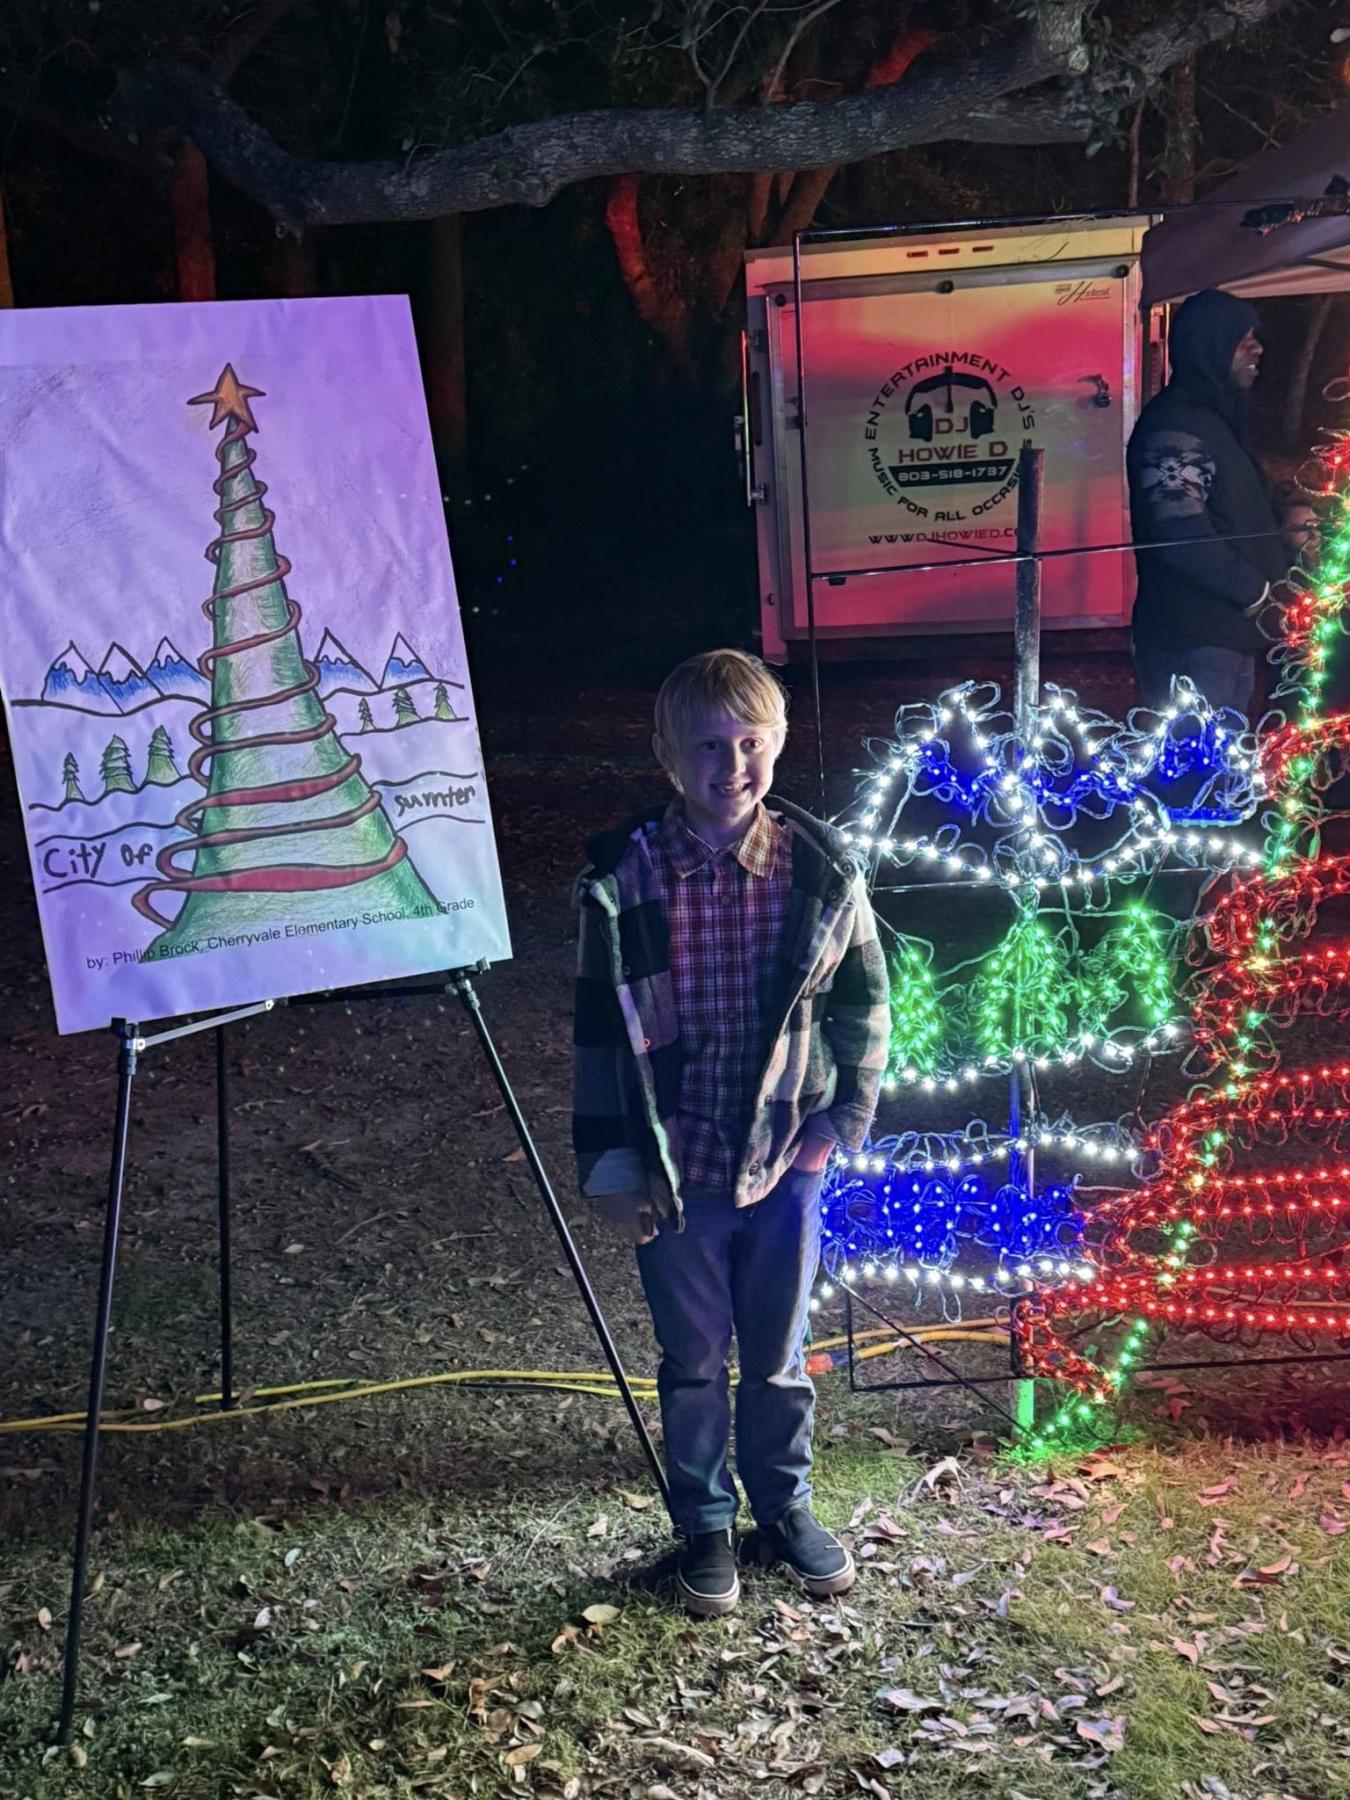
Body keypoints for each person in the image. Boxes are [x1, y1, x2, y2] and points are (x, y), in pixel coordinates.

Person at [572, 649, 889, 1617]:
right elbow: (596, 1033)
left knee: (780, 1354)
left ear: (778, 744)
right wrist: (615, 1165)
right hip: (681, 1172)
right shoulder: (624, 881)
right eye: (708, 746)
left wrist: (841, 1121)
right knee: (693, 1360)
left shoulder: (821, 869)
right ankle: (704, 1520)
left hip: (787, 1160)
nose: (732, 764)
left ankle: (783, 1507)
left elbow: (866, 1001)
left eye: (750, 742)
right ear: (670, 757)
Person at [1128, 288, 1287, 716]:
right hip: (1192, 639)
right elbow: (1180, 532)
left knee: (1224, 773)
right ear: (1209, 345)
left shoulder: (1214, 422)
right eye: (1242, 338)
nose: (1257, 347)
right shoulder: (1175, 424)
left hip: (1227, 636)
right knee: (1196, 772)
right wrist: (1256, 591)